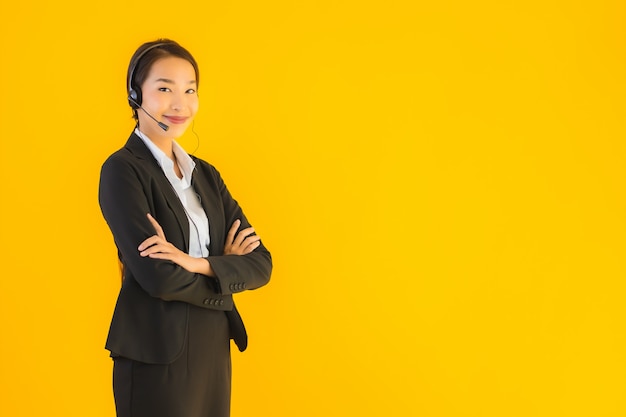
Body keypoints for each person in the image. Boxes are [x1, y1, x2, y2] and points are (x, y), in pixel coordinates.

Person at [98, 39, 272, 417]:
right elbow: (157, 278)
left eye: (190, 90)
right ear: (135, 93)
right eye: (164, 88)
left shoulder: (206, 175)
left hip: (212, 349)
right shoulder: (123, 171)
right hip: (155, 352)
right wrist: (224, 271)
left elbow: (261, 264)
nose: (180, 104)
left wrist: (196, 264)